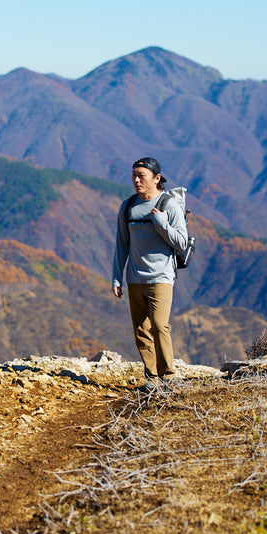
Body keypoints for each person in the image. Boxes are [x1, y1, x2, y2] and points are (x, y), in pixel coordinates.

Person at [111, 157, 188, 393]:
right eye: (134, 175)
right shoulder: (128, 206)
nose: (136, 180)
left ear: (156, 178)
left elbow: (182, 243)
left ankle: (169, 376)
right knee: (141, 329)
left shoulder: (169, 205)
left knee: (159, 325)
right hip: (135, 278)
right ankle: (152, 377)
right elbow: (121, 244)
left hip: (161, 278)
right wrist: (116, 277)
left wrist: (161, 223)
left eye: (141, 176)